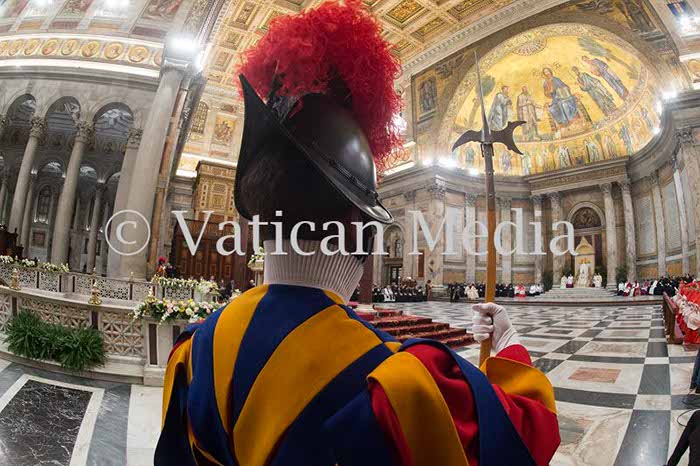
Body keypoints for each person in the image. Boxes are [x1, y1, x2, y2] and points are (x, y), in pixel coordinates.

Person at [155, 3, 560, 464]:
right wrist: (507, 347)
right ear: (358, 229)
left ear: (257, 221)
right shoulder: (401, 382)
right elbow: (528, 435)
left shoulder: (195, 351)